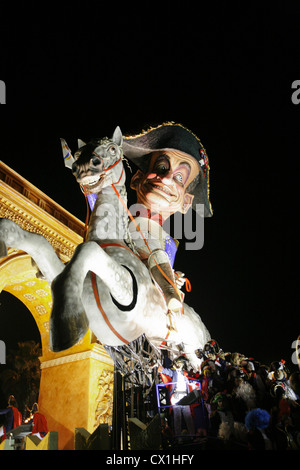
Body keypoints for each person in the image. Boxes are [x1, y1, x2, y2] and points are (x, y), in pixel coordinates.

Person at [123, 122, 212, 329]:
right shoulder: (116, 217)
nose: (165, 178)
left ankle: (170, 293)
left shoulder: (169, 243)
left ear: (186, 203)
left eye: (179, 178)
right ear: (137, 178)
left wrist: (173, 277)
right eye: (161, 167)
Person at [158, 355, 195, 441]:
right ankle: (179, 438)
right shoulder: (173, 372)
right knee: (177, 418)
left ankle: (192, 435)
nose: (178, 364)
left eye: (180, 363)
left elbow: (191, 379)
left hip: (185, 396)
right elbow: (165, 371)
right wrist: (158, 366)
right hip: (176, 396)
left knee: (188, 417)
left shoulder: (185, 373)